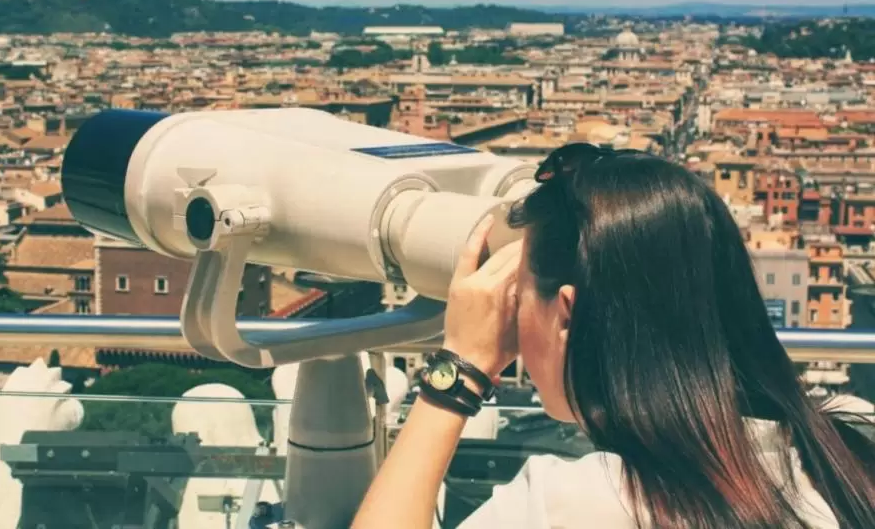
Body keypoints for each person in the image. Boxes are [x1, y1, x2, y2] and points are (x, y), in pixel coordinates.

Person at [353, 143, 875, 529]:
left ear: (565, 313)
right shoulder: (852, 435)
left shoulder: (568, 505)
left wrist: (459, 368)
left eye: (521, 292)